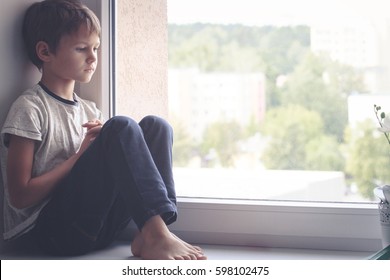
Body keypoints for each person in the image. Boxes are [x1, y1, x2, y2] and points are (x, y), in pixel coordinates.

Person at [0, 0, 206, 260]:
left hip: (98, 229)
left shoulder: (90, 111)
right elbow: (20, 196)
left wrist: (102, 145)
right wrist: (80, 156)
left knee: (156, 126)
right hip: (54, 235)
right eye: (81, 48)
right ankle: (156, 235)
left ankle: (154, 231)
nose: (93, 57)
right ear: (45, 51)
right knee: (120, 126)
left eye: (96, 48)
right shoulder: (30, 108)